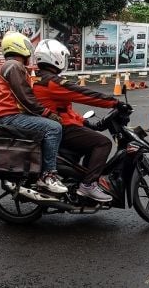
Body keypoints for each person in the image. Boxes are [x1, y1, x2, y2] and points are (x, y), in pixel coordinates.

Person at [32, 39, 126, 202]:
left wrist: (84, 122)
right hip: (60, 128)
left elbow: (64, 110)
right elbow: (84, 94)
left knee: (91, 139)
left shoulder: (42, 79)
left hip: (57, 124)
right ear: (55, 58)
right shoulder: (53, 82)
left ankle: (83, 179)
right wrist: (114, 102)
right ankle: (88, 185)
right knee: (103, 143)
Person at [0, 32, 68, 194]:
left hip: (11, 115)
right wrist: (47, 113)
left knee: (48, 126)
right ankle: (48, 176)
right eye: (27, 47)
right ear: (19, 47)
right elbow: (26, 98)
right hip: (9, 117)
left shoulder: (14, 66)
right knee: (53, 128)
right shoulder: (13, 66)